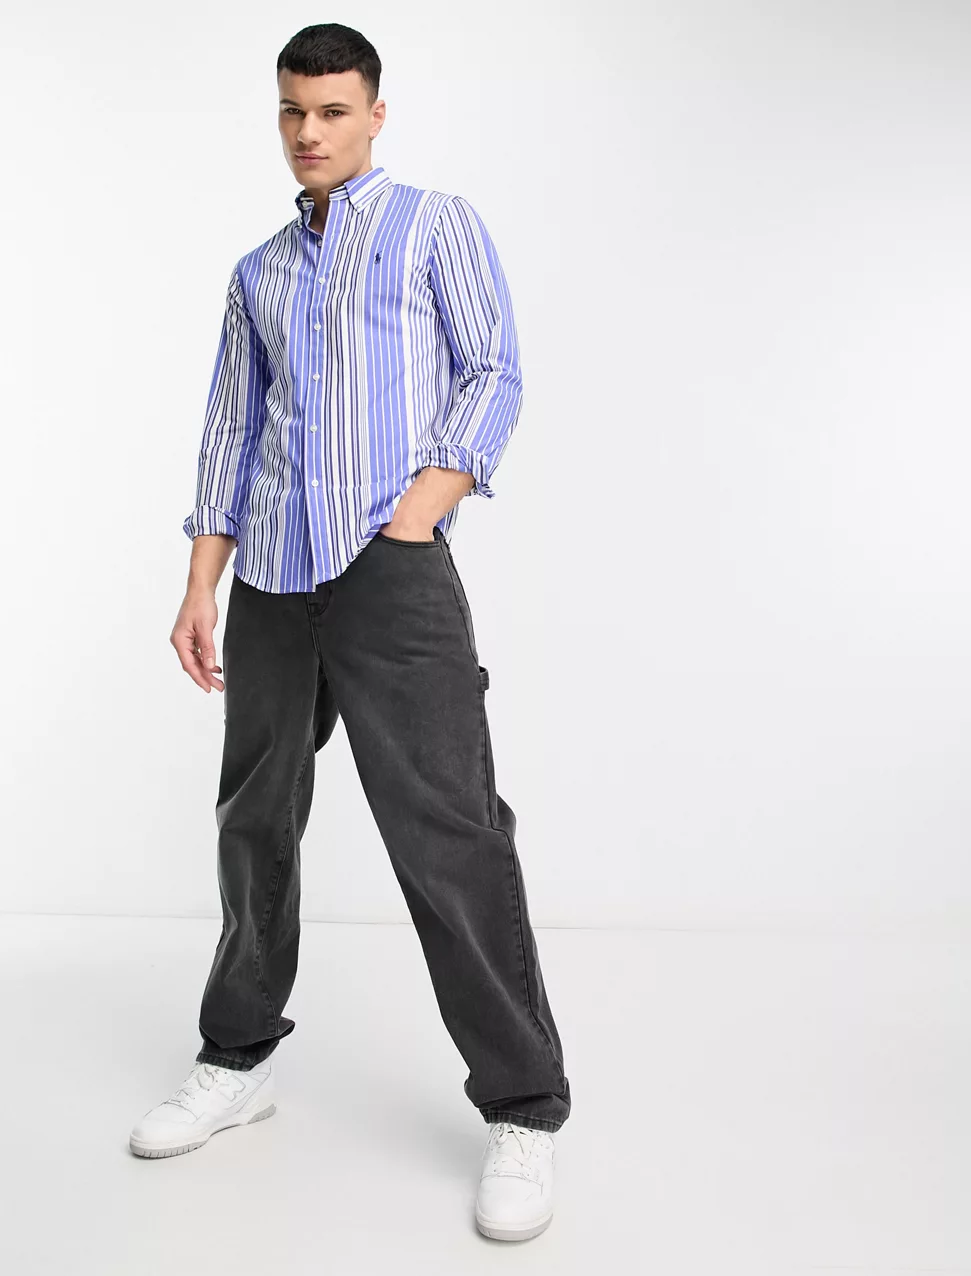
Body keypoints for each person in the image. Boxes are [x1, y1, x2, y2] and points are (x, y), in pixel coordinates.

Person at [128, 21, 570, 1243]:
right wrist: (200, 583)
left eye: (331, 110)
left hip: (391, 571)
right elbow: (232, 430)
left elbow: (493, 371)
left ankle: (523, 1107)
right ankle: (237, 1056)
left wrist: (418, 514)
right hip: (271, 576)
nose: (309, 131)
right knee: (254, 817)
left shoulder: (434, 226)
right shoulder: (257, 272)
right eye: (292, 110)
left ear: (375, 113)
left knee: (449, 830)